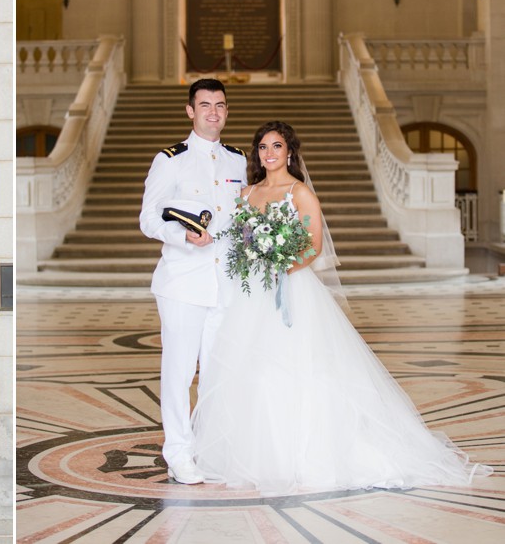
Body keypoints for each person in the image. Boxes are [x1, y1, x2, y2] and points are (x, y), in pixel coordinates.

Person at [191, 121, 492, 495]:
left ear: (289, 152)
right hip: (251, 295)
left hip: (291, 290)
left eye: (277, 146)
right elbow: (237, 237)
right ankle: (258, 456)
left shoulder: (300, 193)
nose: (269, 153)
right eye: (263, 147)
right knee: (253, 371)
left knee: (301, 370)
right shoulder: (248, 192)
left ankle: (304, 457)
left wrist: (280, 264)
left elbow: (314, 247)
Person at [139, 78, 248, 484]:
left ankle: (210, 448)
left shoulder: (239, 160)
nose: (213, 113)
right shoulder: (171, 160)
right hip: (183, 283)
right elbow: (148, 218)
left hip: (228, 283)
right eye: (205, 105)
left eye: (220, 105)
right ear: (191, 111)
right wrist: (181, 235)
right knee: (180, 372)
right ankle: (179, 453)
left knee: (219, 372)